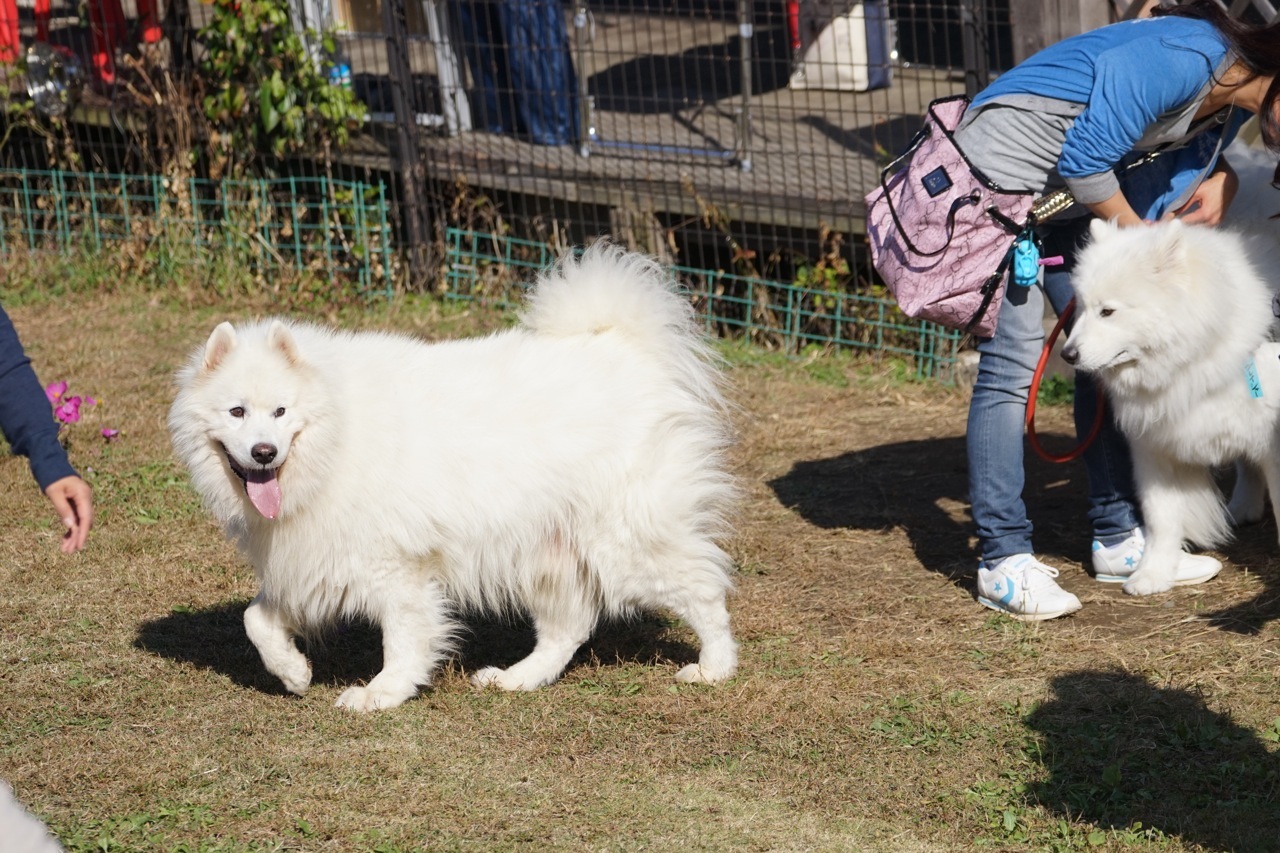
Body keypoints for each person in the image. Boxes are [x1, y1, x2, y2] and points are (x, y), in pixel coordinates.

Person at [953, 0, 1280, 621]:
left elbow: (1157, 157)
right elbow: (1085, 155)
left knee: (1099, 356)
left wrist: (1226, 179)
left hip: (1057, 202)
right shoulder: (1188, 56)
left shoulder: (1228, 101)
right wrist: (1141, 248)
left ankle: (1116, 535)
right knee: (1010, 365)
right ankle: (1003, 559)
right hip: (996, 180)